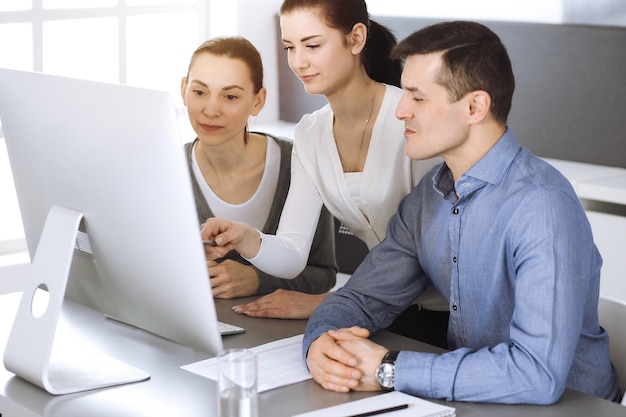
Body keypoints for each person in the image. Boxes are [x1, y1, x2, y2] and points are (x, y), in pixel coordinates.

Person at [302, 20, 621, 404]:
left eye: (418, 98)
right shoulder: (430, 197)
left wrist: (390, 368)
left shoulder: (542, 206)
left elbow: (536, 374)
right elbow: (360, 299)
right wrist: (321, 342)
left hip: (572, 410)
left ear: (474, 106)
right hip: (473, 401)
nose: (401, 111)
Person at [202, 0, 446, 344]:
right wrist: (246, 238)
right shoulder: (310, 133)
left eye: (313, 45)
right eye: (290, 47)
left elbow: (437, 254)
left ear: (356, 38)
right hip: (393, 313)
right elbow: (291, 254)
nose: (298, 62)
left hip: (460, 313)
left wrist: (329, 301)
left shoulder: (409, 118)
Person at [180, 36, 337, 299]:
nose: (211, 109)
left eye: (230, 96)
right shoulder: (166, 169)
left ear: (258, 101)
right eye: (199, 92)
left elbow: (323, 274)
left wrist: (257, 280)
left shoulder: (298, 162)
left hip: (272, 333)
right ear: (183, 89)